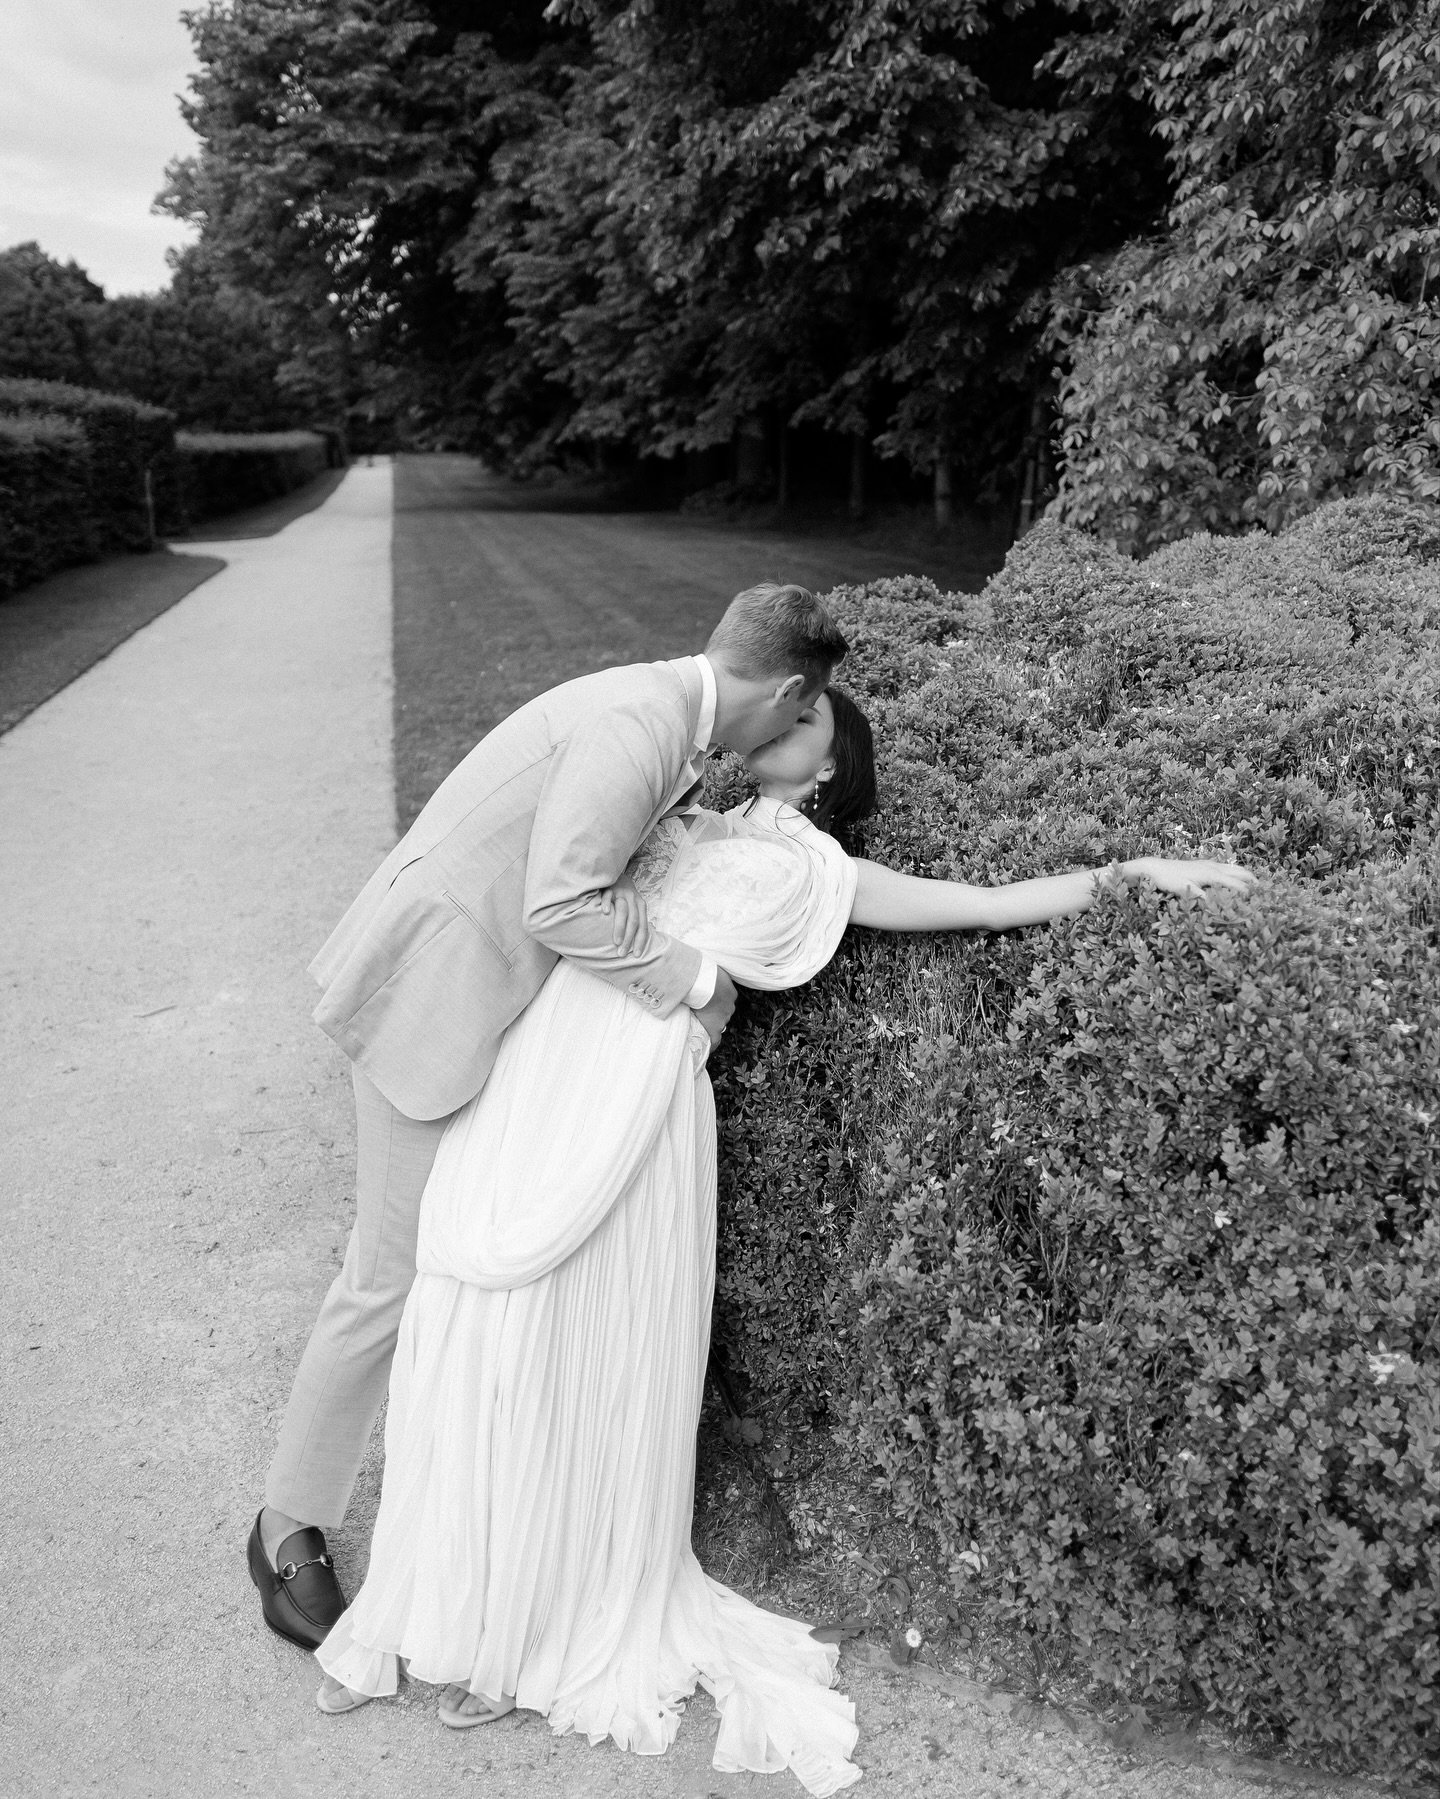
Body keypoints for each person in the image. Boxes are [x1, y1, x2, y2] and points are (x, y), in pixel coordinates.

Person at [308, 686, 1255, 1795]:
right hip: (533, 1071)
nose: (783, 715)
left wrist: (1134, 874)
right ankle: (432, 1605)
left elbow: (987, 902)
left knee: (566, 1342)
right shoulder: (683, 817)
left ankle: (529, 1637)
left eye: (809, 716)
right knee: (470, 1317)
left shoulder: (824, 873)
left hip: (633, 1097)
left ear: (823, 762)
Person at [248, 583, 850, 1652]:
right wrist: (696, 979)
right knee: (386, 1273)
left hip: (481, 997)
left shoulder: (664, 712)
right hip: (428, 997)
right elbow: (560, 904)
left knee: (443, 1263)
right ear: (792, 689)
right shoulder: (641, 726)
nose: (802, 727)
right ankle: (284, 1523)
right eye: (808, 710)